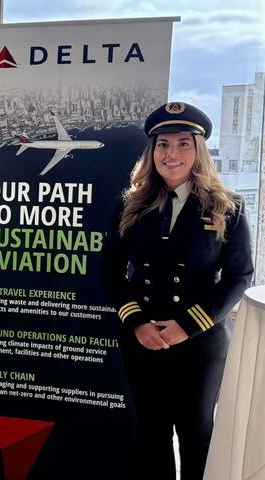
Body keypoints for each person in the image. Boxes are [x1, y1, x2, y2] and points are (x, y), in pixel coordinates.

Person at [102, 102, 252, 480]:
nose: (172, 154)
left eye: (183, 143)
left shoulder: (227, 206)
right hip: (143, 337)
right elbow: (109, 267)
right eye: (163, 144)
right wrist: (136, 322)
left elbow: (239, 275)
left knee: (196, 434)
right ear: (152, 152)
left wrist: (187, 325)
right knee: (151, 432)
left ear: (198, 151)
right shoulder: (129, 204)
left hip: (199, 341)